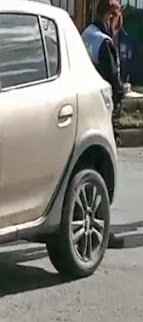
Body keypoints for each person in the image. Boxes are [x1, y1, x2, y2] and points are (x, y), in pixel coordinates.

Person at [81, 0, 126, 249]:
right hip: (102, 112)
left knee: (87, 170)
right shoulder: (104, 42)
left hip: (85, 110)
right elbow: (113, 82)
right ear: (111, 17)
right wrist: (123, 91)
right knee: (102, 173)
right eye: (118, 22)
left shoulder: (85, 34)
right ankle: (102, 229)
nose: (118, 29)